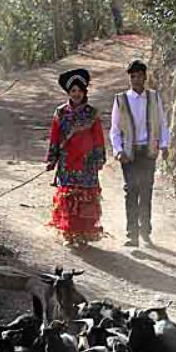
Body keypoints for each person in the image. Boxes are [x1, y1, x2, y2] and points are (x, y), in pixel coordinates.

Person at [109, 59, 170, 247]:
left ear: (145, 77)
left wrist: (164, 145)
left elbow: (162, 123)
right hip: (129, 153)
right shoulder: (121, 99)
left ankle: (145, 231)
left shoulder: (154, 98)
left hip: (148, 151)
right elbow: (115, 129)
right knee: (131, 191)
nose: (136, 80)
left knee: (146, 190)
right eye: (132, 76)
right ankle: (132, 234)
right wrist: (118, 151)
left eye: (139, 76)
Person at [45, 68, 106, 248]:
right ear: (69, 93)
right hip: (67, 162)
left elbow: (98, 137)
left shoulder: (92, 113)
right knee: (68, 198)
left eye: (79, 91)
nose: (76, 94)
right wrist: (52, 159)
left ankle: (83, 233)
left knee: (86, 197)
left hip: (87, 162)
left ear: (84, 92)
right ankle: (69, 233)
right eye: (73, 91)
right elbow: (55, 137)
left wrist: (99, 158)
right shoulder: (60, 113)